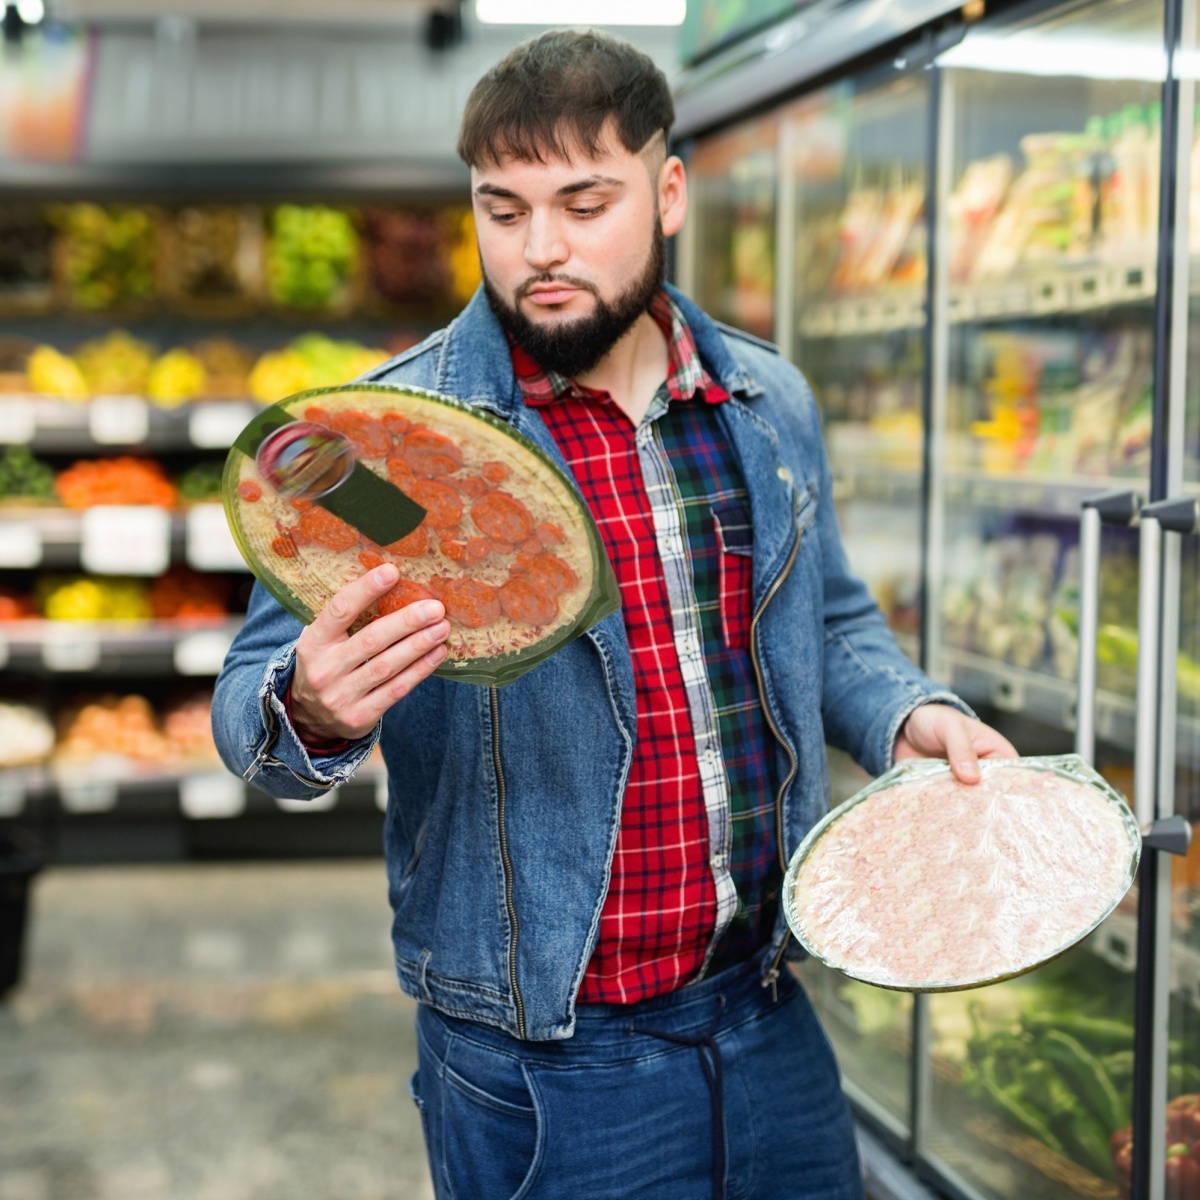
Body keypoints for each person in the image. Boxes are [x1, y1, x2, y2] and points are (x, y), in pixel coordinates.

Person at [213, 28, 1016, 1200]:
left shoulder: (759, 399)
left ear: (668, 191)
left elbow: (833, 624)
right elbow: (252, 713)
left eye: (585, 202)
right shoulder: (385, 448)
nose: (541, 249)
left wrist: (911, 718)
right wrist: (312, 709)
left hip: (770, 1016)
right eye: (504, 209)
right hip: (544, 1061)